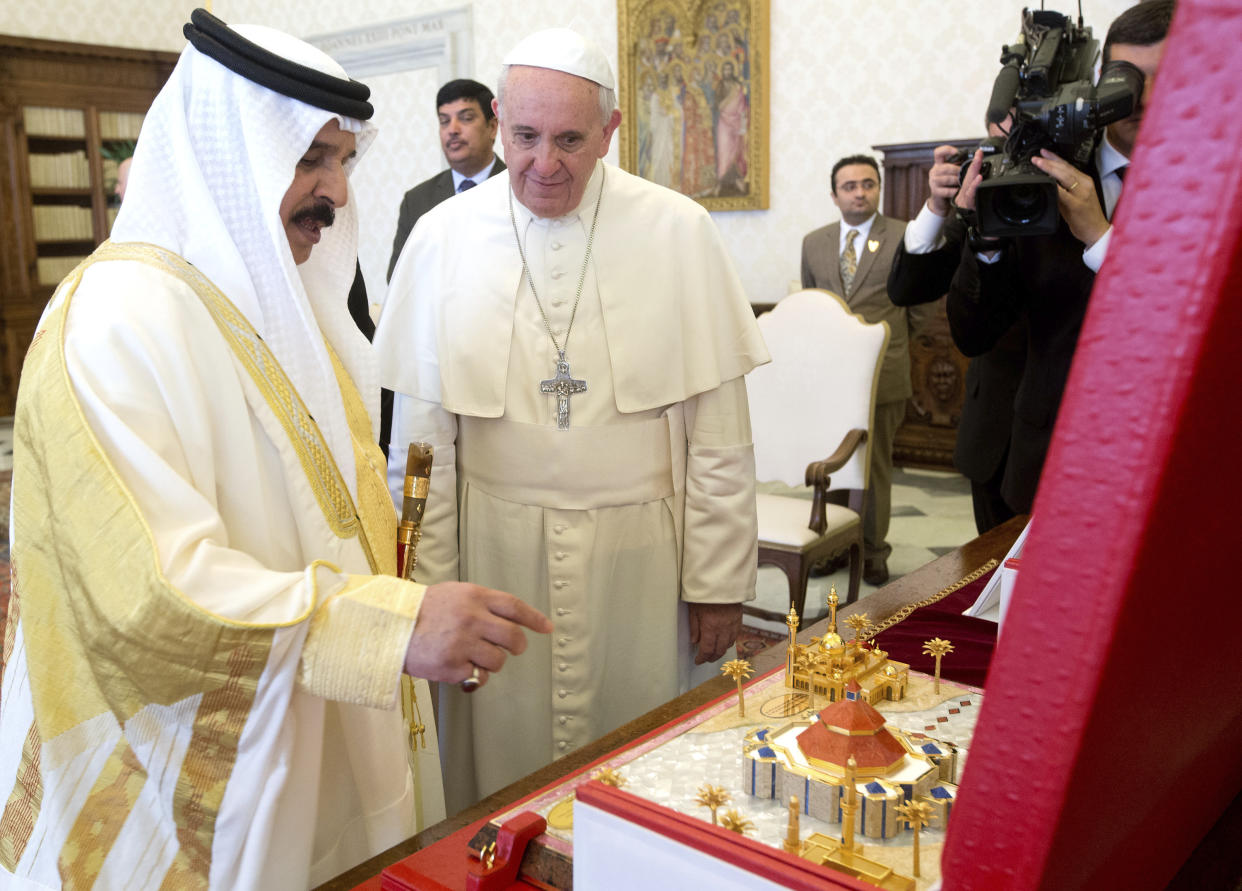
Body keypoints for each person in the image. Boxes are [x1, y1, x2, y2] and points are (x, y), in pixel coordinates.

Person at [0, 11, 549, 889]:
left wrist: (412, 629)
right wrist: (390, 630)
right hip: (193, 784)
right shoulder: (113, 319)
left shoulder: (291, 314)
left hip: (324, 727)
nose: (333, 192)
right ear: (228, 155)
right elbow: (148, 597)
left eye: (343, 162)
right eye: (308, 159)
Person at [374, 27, 769, 813]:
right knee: (495, 774)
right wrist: (425, 592)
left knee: (640, 761)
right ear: (495, 119)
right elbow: (422, 447)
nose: (543, 164)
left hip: (642, 558)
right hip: (494, 550)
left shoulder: (678, 230)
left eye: (569, 140)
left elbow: (719, 434)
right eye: (523, 137)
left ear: (611, 133)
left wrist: (719, 583)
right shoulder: (441, 237)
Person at [936, 0, 1173, 515]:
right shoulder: (1041, 171)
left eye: (1167, 77)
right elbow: (974, 333)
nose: (1144, 99)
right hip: (1045, 465)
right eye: (1129, 78)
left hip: (1168, 461)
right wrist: (989, 243)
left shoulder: (1217, 186)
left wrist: (1101, 239)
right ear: (1102, 77)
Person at [801, 155, 932, 585]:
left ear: (878, 188)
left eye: (868, 184)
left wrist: (894, 346)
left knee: (873, 466)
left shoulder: (902, 235)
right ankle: (833, 545)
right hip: (831, 378)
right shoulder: (814, 242)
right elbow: (813, 305)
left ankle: (873, 550)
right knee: (832, 461)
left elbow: (921, 304)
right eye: (850, 185)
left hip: (883, 371)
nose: (860, 192)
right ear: (835, 194)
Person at [889, 136, 1027, 535]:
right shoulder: (974, 207)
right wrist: (938, 206)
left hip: (1071, 428)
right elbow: (906, 289)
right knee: (994, 577)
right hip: (992, 429)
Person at [384, 78, 506, 283]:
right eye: (444, 121)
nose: (453, 129)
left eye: (466, 118)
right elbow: (398, 280)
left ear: (492, 127)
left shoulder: (520, 189)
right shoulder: (416, 201)